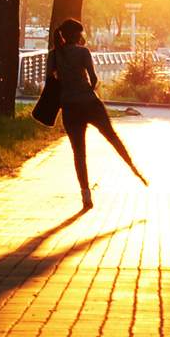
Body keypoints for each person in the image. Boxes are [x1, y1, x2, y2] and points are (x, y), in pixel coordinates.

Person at [47, 18, 148, 210]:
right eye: (80, 33)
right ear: (76, 35)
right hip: (90, 103)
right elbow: (93, 78)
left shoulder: (54, 55)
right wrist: (88, 89)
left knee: (79, 153)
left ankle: (85, 194)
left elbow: (49, 81)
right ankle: (133, 168)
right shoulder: (83, 52)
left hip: (69, 107)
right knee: (112, 137)